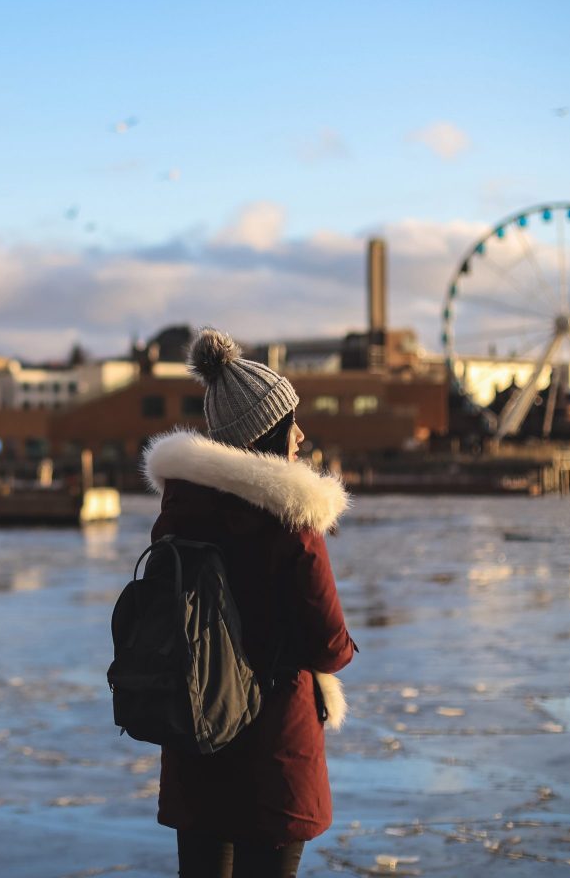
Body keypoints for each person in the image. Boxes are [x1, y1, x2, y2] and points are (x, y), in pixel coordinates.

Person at [139, 327, 356, 878]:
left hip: (196, 732)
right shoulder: (292, 519)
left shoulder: (179, 510)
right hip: (273, 742)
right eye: (291, 422)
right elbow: (328, 643)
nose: (301, 436)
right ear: (266, 433)